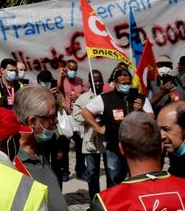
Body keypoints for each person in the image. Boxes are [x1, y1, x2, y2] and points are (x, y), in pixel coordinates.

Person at [13, 86, 71, 211]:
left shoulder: (43, 147)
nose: (55, 123)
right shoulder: (13, 163)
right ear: (32, 122)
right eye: (52, 117)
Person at [81, 66, 153, 187]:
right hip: (114, 148)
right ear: (115, 83)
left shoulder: (139, 97)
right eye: (123, 83)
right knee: (114, 180)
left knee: (138, 180)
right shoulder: (105, 98)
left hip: (136, 148)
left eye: (128, 83)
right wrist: (98, 128)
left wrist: (141, 111)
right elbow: (85, 112)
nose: (126, 85)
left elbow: (152, 118)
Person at [73, 71, 106, 200]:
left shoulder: (108, 96)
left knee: (111, 171)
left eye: (100, 80)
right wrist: (90, 116)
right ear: (90, 82)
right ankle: (95, 199)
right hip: (90, 140)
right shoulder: (83, 98)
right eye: (95, 80)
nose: (98, 83)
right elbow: (76, 115)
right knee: (92, 173)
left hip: (106, 140)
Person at [58, 60, 87, 181]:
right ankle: (65, 171)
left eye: (75, 69)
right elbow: (58, 88)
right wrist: (61, 75)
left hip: (78, 116)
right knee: (65, 145)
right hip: (67, 115)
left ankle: (80, 170)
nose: (73, 72)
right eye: (70, 69)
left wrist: (79, 96)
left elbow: (88, 94)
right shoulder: (63, 80)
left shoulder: (80, 81)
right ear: (66, 68)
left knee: (80, 144)